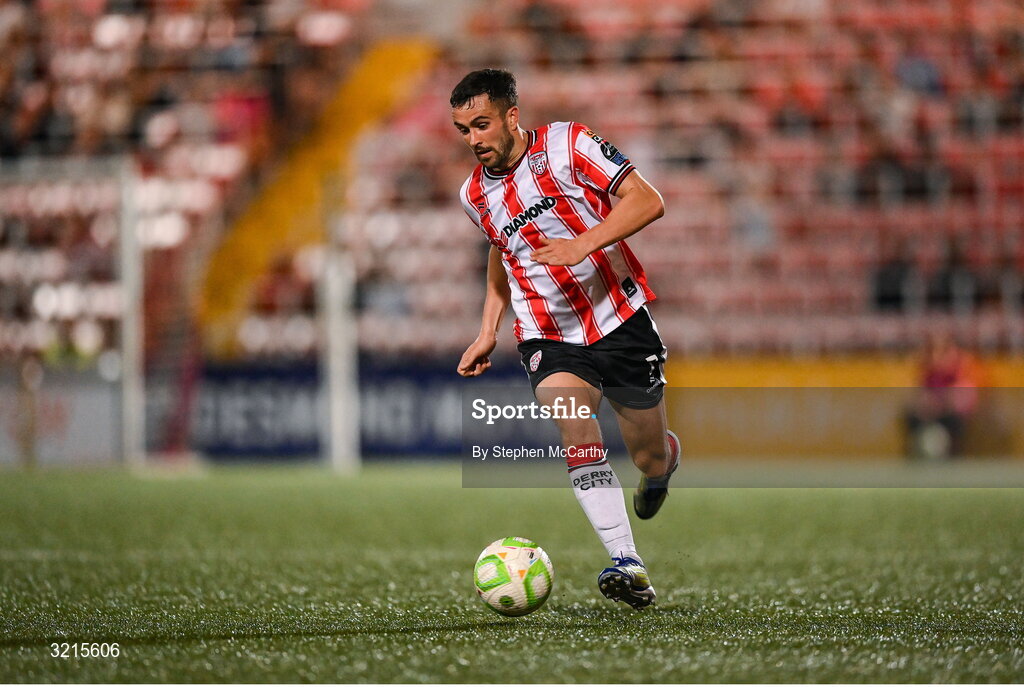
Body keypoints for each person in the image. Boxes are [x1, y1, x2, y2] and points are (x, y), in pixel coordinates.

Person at [451, 69, 679, 609]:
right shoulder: (472, 194)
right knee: (576, 429)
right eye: (463, 130)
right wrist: (489, 328)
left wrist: (583, 243)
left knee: (647, 456)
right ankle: (629, 562)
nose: (474, 140)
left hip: (619, 318)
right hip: (546, 333)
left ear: (512, 116)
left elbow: (648, 200)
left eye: (482, 125)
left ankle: (664, 462)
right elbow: (499, 252)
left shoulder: (569, 145)